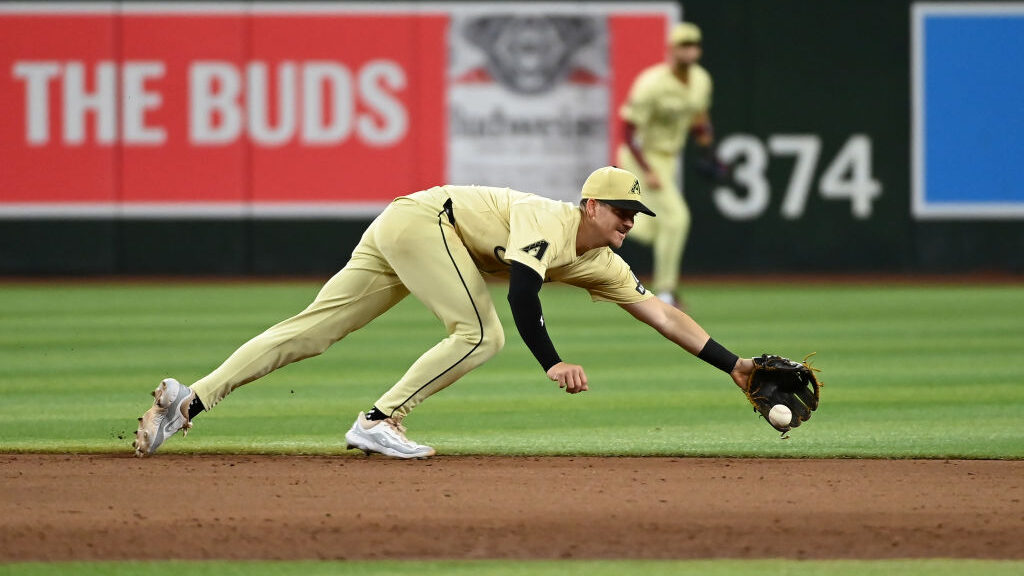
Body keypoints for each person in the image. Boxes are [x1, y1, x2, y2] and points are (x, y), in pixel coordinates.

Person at [134, 166, 754, 459]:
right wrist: (553, 361)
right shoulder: (550, 219)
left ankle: (187, 401)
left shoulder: (605, 265)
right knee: (482, 333)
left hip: (409, 224)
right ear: (589, 204)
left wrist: (735, 367)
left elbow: (665, 316)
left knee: (312, 334)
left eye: (634, 215)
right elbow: (522, 295)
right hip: (428, 222)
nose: (627, 220)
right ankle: (380, 419)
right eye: (619, 209)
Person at [617, 22, 727, 309]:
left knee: (653, 228)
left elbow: (699, 120)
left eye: (693, 45)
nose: (689, 50)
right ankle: (666, 292)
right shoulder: (652, 83)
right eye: (683, 45)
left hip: (669, 159)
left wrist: (710, 153)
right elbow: (628, 130)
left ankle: (606, 221)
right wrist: (647, 169)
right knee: (677, 218)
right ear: (671, 50)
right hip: (642, 156)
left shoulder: (701, 80)